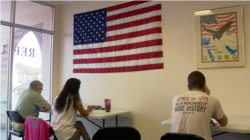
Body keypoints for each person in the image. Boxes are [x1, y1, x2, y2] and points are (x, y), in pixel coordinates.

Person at [170, 71, 228, 140]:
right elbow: (224, 122)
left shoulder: (175, 99)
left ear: (188, 86)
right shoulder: (212, 100)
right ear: (204, 86)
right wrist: (207, 96)